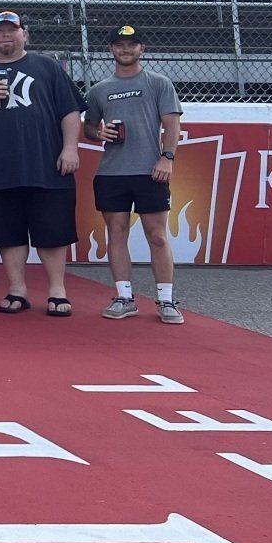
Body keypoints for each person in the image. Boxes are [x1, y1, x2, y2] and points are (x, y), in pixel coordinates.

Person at [0, 10, 85, 316]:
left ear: (25, 34)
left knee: (52, 232)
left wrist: (70, 149)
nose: (6, 35)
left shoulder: (47, 66)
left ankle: (57, 290)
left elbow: (70, 111)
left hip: (46, 166)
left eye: (12, 30)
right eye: (0, 31)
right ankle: (17, 289)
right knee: (7, 233)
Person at [83, 23, 184, 324]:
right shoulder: (99, 90)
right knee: (116, 233)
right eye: (119, 45)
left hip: (149, 171)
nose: (125, 50)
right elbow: (89, 127)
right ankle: (124, 297)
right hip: (111, 173)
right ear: (111, 49)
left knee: (157, 236)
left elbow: (172, 124)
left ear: (142, 49)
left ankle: (166, 299)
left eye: (131, 44)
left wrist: (167, 158)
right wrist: (98, 133)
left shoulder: (158, 83)